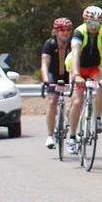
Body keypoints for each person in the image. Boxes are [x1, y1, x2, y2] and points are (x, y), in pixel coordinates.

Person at [64, 5, 102, 156]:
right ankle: (72, 138)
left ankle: (97, 118)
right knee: (77, 101)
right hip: (77, 67)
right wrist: (76, 75)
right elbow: (75, 53)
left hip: (94, 67)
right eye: (91, 23)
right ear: (85, 22)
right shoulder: (79, 32)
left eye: (97, 23)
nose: (94, 27)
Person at [40, 17, 73, 149]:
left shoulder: (73, 44)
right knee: (52, 101)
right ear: (56, 31)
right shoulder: (50, 44)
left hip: (69, 74)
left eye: (68, 30)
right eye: (62, 30)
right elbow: (44, 64)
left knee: (74, 102)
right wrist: (45, 80)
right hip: (53, 75)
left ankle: (70, 126)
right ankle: (50, 136)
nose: (66, 33)